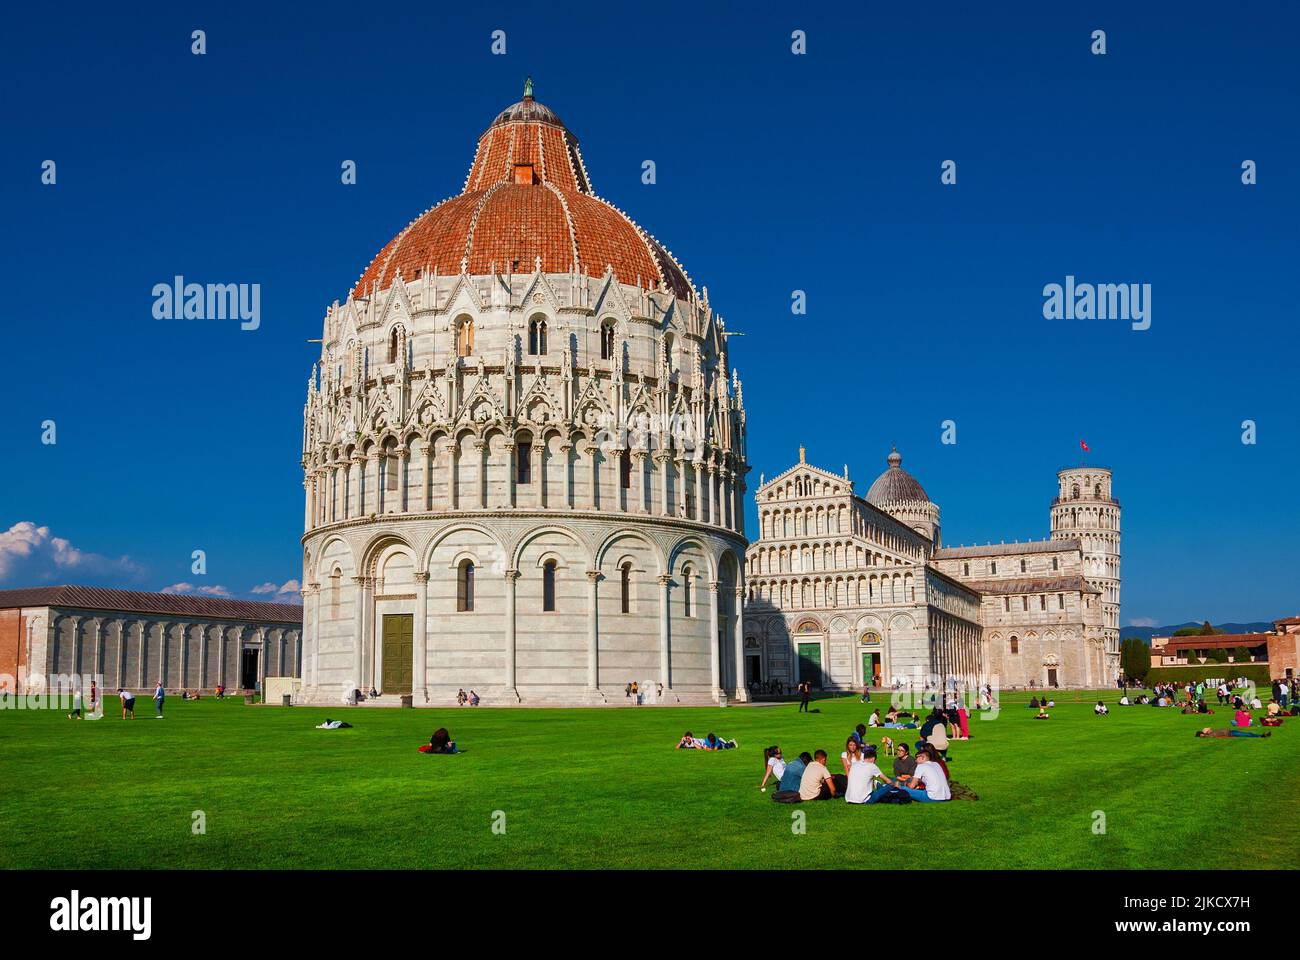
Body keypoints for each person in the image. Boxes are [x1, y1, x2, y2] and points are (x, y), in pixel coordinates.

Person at [1196, 727, 1270, 739]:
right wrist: (1203, 735)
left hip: (1231, 731)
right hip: (1231, 734)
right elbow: (1222, 737)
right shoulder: (1210, 735)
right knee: (1247, 734)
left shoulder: (1211, 733)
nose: (1210, 729)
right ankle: (1261, 736)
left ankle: (1260, 735)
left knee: (1248, 733)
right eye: (1209, 730)